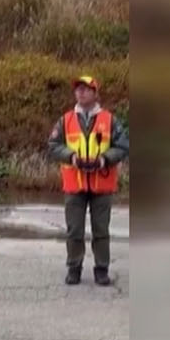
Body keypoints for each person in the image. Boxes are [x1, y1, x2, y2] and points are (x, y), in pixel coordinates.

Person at [47, 75, 129, 286]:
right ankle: (74, 268)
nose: (81, 92)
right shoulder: (65, 120)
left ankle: (101, 269)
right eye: (78, 89)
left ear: (95, 93)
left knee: (101, 230)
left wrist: (104, 160)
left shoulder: (110, 120)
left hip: (102, 185)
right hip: (75, 184)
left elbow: (123, 147)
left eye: (86, 89)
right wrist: (71, 157)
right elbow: (53, 146)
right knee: (74, 229)